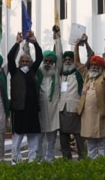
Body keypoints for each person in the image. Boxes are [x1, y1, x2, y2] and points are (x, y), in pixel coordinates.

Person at [76, 35, 105, 158]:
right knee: (91, 144)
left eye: (97, 65)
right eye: (92, 65)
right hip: (87, 115)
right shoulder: (87, 75)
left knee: (102, 144)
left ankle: (102, 167)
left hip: (101, 114)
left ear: (101, 67)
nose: (94, 67)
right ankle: (92, 168)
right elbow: (77, 62)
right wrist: (77, 45)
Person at [8, 30, 43, 164]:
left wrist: (35, 42)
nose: (25, 62)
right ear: (19, 62)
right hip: (19, 110)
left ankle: (33, 161)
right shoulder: (14, 71)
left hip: (32, 110)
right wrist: (17, 43)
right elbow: (10, 57)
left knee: (33, 138)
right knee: (17, 139)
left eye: (27, 61)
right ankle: (15, 161)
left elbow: (39, 57)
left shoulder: (32, 71)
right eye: (22, 60)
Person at [37, 26, 63, 162]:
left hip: (53, 111)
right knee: (39, 139)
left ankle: (50, 159)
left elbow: (59, 55)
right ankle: (40, 160)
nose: (47, 63)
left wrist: (57, 38)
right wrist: (25, 44)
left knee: (52, 139)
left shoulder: (56, 73)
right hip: (40, 110)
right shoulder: (38, 73)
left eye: (50, 61)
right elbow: (29, 58)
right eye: (45, 61)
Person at [58, 44, 87, 160]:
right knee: (63, 137)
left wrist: (82, 44)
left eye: (70, 59)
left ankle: (83, 158)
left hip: (75, 109)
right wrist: (57, 39)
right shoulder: (60, 74)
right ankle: (66, 160)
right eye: (66, 59)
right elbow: (57, 55)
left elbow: (89, 58)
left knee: (79, 136)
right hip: (62, 109)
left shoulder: (79, 73)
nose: (68, 61)